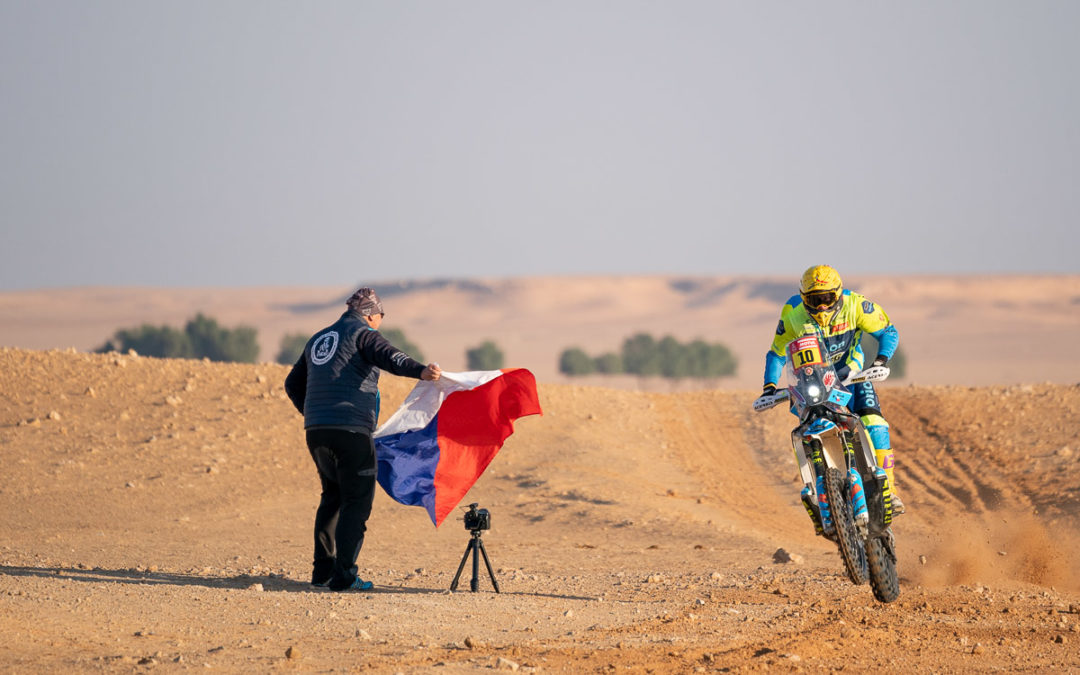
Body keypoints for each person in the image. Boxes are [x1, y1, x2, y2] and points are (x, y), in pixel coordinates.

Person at [284, 287, 442, 591]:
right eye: (381, 317)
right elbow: (391, 357)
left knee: (332, 497)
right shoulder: (363, 334)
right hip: (351, 430)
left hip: (316, 431)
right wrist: (421, 371)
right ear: (371, 314)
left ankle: (322, 573)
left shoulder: (319, 338)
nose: (380, 322)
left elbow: (292, 384)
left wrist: (315, 412)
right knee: (356, 501)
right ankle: (344, 576)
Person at [756, 265, 904, 516]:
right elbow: (777, 352)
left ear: (838, 294)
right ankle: (815, 492)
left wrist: (880, 361)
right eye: (815, 300)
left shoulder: (856, 304)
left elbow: (888, 331)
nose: (822, 306)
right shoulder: (792, 312)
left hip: (851, 377)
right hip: (810, 384)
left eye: (827, 299)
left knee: (875, 423)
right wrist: (769, 387)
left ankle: (889, 490)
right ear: (805, 299)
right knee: (803, 433)